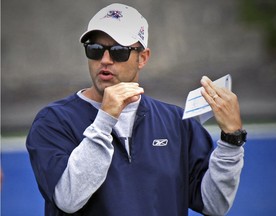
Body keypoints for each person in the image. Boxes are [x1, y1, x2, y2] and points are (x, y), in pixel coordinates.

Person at [26, 3, 247, 216]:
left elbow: (214, 204)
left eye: (119, 51)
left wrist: (231, 141)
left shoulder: (176, 122)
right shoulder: (53, 121)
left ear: (143, 58)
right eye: (95, 49)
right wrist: (105, 120)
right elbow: (68, 199)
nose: (105, 60)